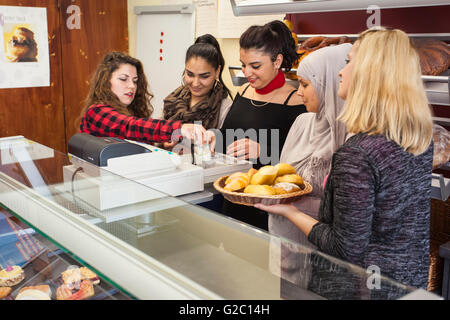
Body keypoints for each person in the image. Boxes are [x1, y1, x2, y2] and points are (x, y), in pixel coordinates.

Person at [256, 28, 434, 293]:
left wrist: (289, 211)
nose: (341, 71)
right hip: (407, 283)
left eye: (350, 62)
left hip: (360, 289)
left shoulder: (358, 153)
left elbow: (344, 247)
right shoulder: (419, 138)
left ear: (370, 75)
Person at [267, 43, 352, 293]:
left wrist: (293, 207)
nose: (299, 92)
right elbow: (281, 174)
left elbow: (345, 213)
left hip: (324, 258)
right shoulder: (302, 122)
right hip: (285, 249)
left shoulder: (351, 136)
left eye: (305, 84)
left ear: (330, 83)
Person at [220, 20, 308, 231]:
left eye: (255, 66)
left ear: (277, 61)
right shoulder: (242, 93)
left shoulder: (296, 102)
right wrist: (214, 140)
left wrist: (264, 151)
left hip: (270, 212)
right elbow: (226, 141)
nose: (247, 72)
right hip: (232, 201)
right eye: (243, 64)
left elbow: (303, 166)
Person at [79, 51, 213, 148]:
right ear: (105, 81)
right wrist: (179, 128)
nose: (132, 86)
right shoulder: (96, 112)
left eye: (135, 81)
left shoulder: (129, 110)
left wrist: (161, 145)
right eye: (123, 79)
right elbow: (130, 126)